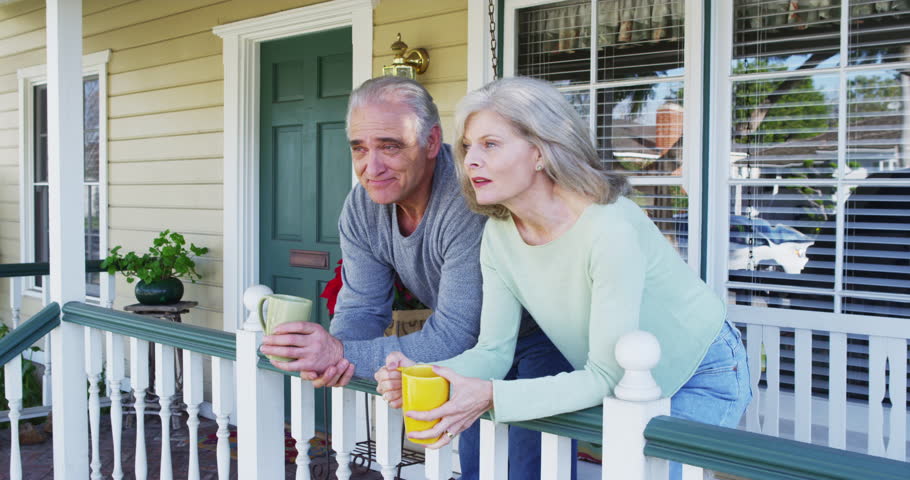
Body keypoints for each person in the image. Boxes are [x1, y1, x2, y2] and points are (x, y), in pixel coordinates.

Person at [374, 77, 752, 477]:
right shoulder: (499, 235)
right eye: (468, 146)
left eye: (490, 144)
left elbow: (607, 375)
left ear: (540, 152)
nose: (469, 161)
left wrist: (489, 396)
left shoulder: (609, 227)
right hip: (625, 382)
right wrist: (432, 372)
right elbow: (493, 352)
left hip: (701, 371)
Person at [259, 76, 575, 480]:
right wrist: (338, 350)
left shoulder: (470, 198)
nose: (370, 168)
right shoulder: (362, 206)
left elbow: (456, 334)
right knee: (479, 465)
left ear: (431, 142)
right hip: (479, 351)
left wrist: (340, 353)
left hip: (543, 335)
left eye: (390, 146)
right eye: (359, 148)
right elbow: (360, 307)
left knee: (533, 467)